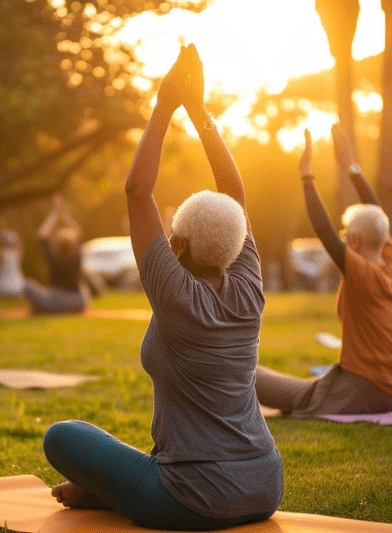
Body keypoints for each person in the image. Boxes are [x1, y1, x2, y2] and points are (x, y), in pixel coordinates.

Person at [42, 45, 283, 531]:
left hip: (192, 500)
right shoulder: (249, 287)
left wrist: (164, 104)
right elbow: (234, 195)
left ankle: (112, 492)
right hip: (265, 485)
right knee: (117, 456)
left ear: (178, 244)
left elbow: (137, 191)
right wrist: (198, 110)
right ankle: (105, 492)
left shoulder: (174, 293)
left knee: (63, 437)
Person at [254, 125, 392, 417]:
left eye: (347, 234)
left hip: (367, 389)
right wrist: (351, 167)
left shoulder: (362, 272)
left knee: (246, 371)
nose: (343, 237)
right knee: (308, 385)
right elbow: (376, 211)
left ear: (356, 241)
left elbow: (323, 229)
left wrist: (307, 174)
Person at [23, 193, 87, 314]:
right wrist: (63, 214)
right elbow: (79, 233)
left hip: (56, 302)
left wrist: (54, 213)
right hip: (78, 302)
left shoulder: (54, 259)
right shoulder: (77, 259)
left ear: (57, 245)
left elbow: (42, 236)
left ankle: (41, 309)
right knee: (83, 283)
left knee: (27, 285)